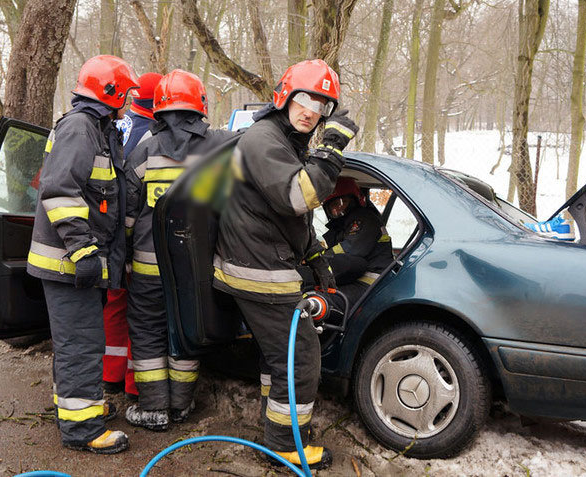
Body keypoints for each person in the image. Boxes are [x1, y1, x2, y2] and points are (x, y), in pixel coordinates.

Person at [213, 59, 359, 469]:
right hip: (260, 271)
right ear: (286, 95)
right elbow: (298, 197)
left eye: (322, 106)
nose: (312, 111)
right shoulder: (264, 140)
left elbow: (287, 216)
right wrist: (330, 151)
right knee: (300, 357)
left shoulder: (284, 141)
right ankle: (286, 444)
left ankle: (274, 426)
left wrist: (314, 254)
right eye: (306, 98)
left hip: (264, 264)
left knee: (278, 357)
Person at [26, 55, 139, 454]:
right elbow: (59, 192)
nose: (129, 101)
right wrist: (85, 251)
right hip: (68, 261)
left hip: (72, 260)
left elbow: (104, 196)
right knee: (82, 343)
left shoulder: (99, 128)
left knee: (75, 341)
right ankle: (82, 430)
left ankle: (71, 406)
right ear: (112, 93)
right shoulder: (80, 128)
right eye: (126, 94)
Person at [124, 69, 235, 431]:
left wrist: (123, 254)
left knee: (147, 333)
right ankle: (182, 405)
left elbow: (126, 214)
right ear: (200, 105)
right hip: (194, 269)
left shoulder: (144, 151)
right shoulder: (219, 146)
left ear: (158, 109)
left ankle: (154, 408)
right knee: (185, 331)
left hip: (148, 269)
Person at [102, 72, 162, 400]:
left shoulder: (117, 126)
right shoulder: (153, 135)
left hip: (108, 230)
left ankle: (110, 373)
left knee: (114, 303)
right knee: (139, 313)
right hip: (134, 234)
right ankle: (132, 382)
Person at [319, 177, 393, 307]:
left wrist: (319, 259)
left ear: (355, 199)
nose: (338, 209)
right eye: (333, 206)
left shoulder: (364, 219)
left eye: (343, 202)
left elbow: (350, 250)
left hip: (371, 284)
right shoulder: (345, 223)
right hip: (357, 280)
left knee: (318, 301)